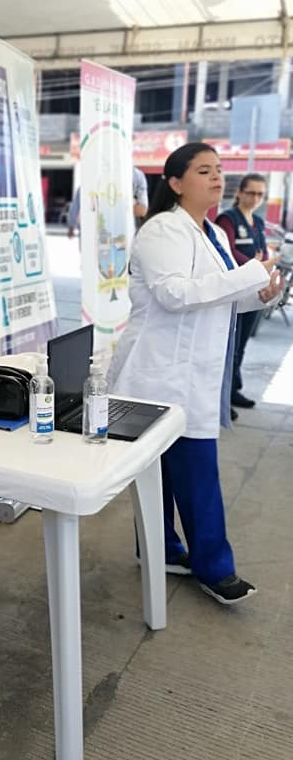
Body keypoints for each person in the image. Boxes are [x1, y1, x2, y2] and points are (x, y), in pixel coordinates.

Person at [108, 143, 281, 605]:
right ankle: (213, 568)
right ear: (176, 183)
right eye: (204, 171)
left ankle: (162, 550)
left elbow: (221, 296)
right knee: (193, 474)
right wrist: (249, 274)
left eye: (219, 169)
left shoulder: (212, 233)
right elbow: (175, 294)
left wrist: (258, 294)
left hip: (191, 374)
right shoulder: (163, 229)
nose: (217, 177)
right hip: (161, 374)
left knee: (170, 473)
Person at [215, 174, 269, 414]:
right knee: (231, 347)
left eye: (260, 194)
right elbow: (227, 251)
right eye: (251, 192)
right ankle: (221, 397)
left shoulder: (257, 222)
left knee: (242, 345)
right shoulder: (227, 219)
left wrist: (263, 268)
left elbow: (263, 252)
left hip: (254, 291)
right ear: (239, 192)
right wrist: (255, 266)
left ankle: (233, 390)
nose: (255, 198)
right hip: (235, 291)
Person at [67, 167, 148, 238]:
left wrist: (71, 226)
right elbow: (81, 196)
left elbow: (142, 211)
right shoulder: (136, 175)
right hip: (102, 232)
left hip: (116, 233)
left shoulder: (136, 175)